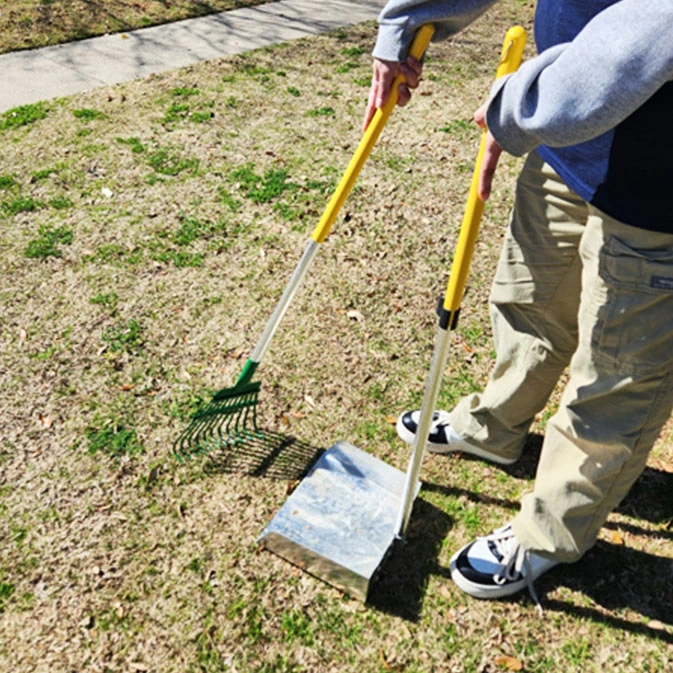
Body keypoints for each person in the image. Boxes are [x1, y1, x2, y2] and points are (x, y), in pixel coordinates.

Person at [365, 0, 673, 608]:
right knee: (529, 302)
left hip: (657, 185)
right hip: (566, 140)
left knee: (615, 380)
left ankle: (548, 533)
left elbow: (647, 34)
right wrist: (408, 18)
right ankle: (494, 427)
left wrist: (522, 103)